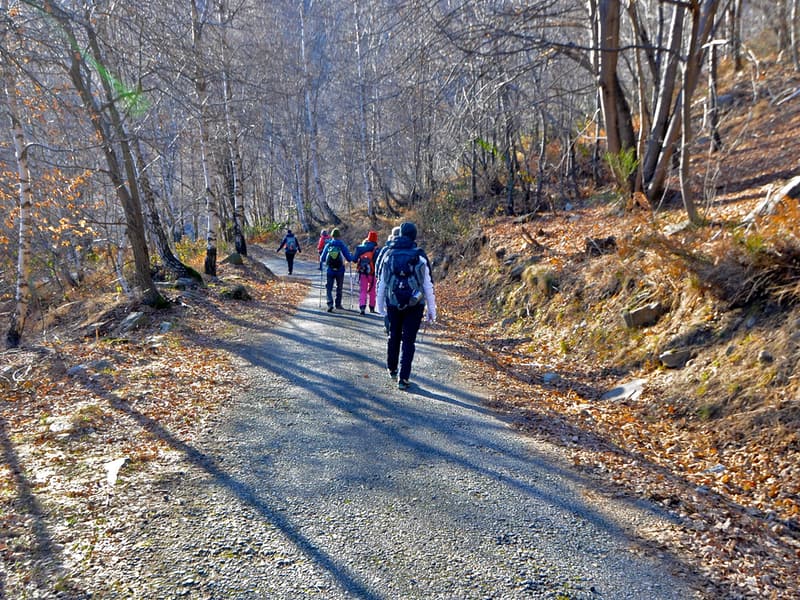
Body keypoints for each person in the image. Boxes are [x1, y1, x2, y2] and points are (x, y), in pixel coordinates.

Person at [376, 222, 436, 390]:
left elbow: (382, 283)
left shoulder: (389, 254)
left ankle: (392, 368)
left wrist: (380, 306)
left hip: (393, 302)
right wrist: (432, 310)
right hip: (415, 304)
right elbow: (428, 285)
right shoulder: (420, 256)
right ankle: (403, 378)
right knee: (409, 341)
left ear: (400, 234)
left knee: (394, 335)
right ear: (414, 236)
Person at [319, 228, 354, 312]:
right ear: (339, 236)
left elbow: (322, 258)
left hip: (330, 270)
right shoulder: (342, 245)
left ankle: (330, 303)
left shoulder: (328, 245)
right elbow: (349, 259)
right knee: (339, 287)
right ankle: (338, 304)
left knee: (329, 287)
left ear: (332, 236)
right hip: (340, 270)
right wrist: (350, 255)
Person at [353, 230, 380, 315]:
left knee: (363, 290)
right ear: (376, 239)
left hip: (363, 272)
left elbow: (354, 260)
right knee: (372, 291)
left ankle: (362, 307)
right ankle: (372, 307)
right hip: (373, 273)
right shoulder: (377, 250)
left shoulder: (360, 248)